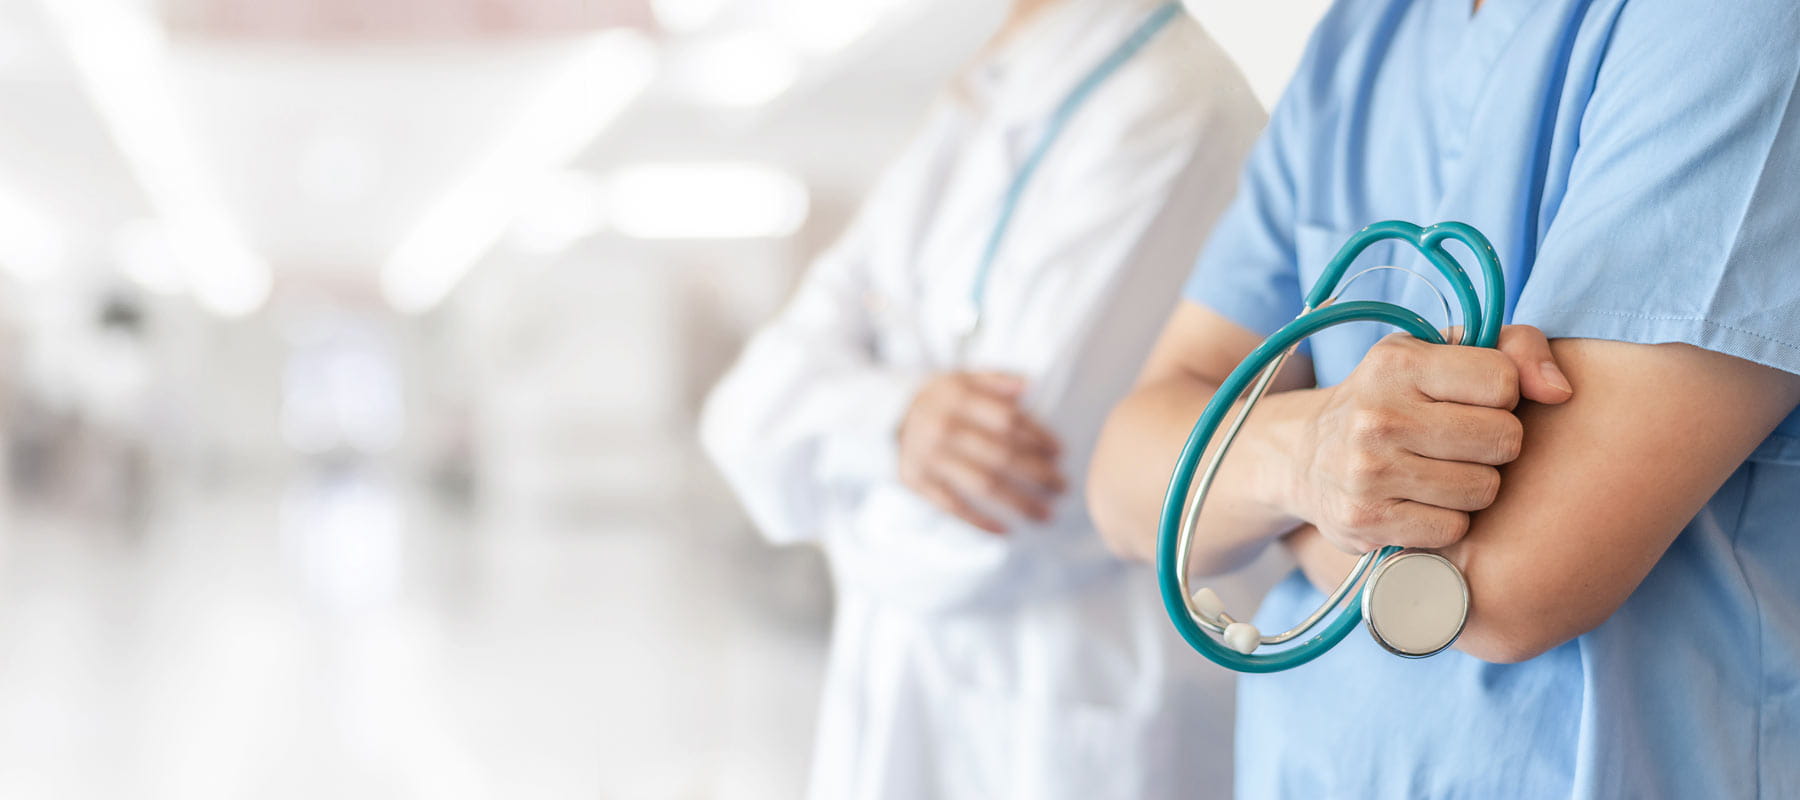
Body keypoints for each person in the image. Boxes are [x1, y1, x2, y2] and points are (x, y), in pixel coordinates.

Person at [1087, 0, 1800, 796]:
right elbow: (1123, 487)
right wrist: (1310, 457)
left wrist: (1276, 489)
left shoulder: (1745, 21)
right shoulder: (1361, 35)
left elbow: (1496, 591)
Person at [700, 1, 1265, 796]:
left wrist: (835, 472)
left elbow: (1002, 502)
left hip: (1074, 688)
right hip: (919, 684)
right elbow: (745, 415)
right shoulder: (980, 94)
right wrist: (894, 425)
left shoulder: (1172, 104)